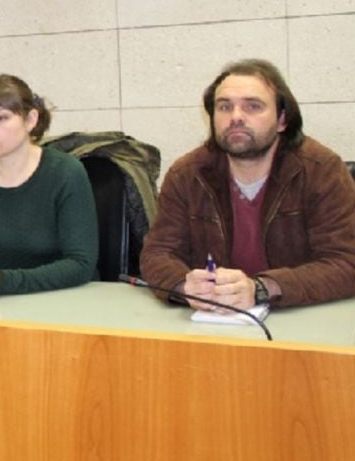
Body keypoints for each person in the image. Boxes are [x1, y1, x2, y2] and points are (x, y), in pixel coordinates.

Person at [141, 59, 355, 309]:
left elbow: (346, 262)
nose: (236, 117)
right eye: (224, 107)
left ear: (283, 119)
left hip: (300, 318)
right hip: (213, 322)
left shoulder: (320, 169)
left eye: (253, 106)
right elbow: (157, 254)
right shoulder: (187, 174)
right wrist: (183, 287)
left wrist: (262, 289)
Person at [0, 75, 98, 297]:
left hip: (60, 301)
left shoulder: (66, 172)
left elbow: (81, 263)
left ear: (30, 120)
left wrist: (4, 282)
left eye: (1, 118)